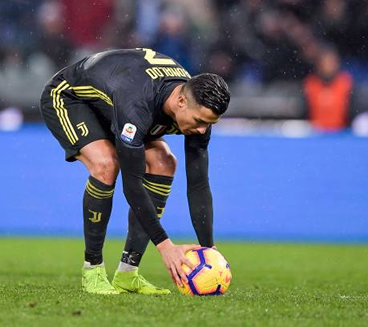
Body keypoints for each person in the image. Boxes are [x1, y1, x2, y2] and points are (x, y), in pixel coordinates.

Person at [39, 48, 230, 295]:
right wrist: (165, 246)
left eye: (210, 124)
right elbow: (132, 184)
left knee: (164, 162)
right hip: (72, 98)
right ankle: (93, 271)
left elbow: (198, 184)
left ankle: (128, 274)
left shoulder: (197, 108)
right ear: (180, 101)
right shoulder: (137, 105)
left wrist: (209, 249)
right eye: (199, 122)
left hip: (114, 103)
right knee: (106, 165)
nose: (203, 130)